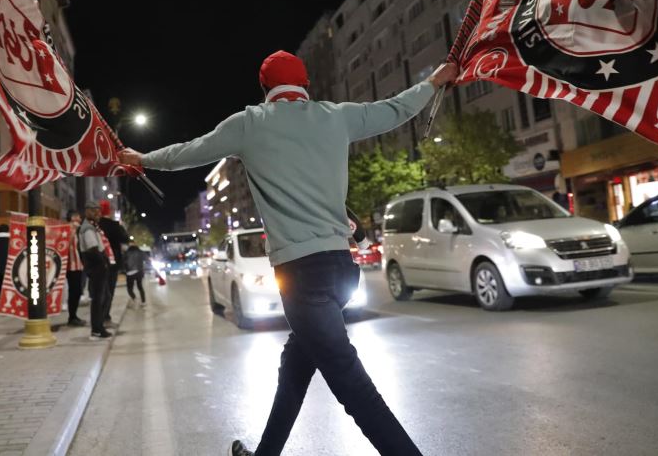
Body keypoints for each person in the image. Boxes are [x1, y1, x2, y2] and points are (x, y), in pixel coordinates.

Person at [119, 50, 457, 456]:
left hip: (302, 276)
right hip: (341, 270)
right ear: (306, 85)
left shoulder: (249, 124)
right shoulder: (337, 115)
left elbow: (190, 152)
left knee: (355, 391)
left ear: (264, 89)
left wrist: (142, 160)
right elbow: (396, 108)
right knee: (295, 369)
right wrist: (433, 82)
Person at [79, 202, 112, 339]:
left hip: (97, 266)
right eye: (94, 212)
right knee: (99, 299)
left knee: (103, 297)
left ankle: (99, 327)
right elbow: (93, 248)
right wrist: (103, 262)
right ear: (87, 212)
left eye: (98, 212)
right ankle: (97, 329)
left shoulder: (92, 227)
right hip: (96, 266)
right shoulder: (88, 229)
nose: (98, 214)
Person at [97, 200, 128, 324]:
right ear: (109, 211)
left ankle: (99, 315)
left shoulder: (95, 225)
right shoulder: (114, 225)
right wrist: (120, 225)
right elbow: (125, 238)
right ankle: (106, 315)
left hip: (98, 261)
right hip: (112, 261)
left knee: (99, 290)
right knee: (110, 288)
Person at [66, 212, 87, 326]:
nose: (80, 218)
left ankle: (73, 316)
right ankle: (72, 317)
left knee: (75, 291)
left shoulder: (68, 228)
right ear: (73, 217)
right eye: (79, 216)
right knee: (75, 291)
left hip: (73, 264)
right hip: (75, 265)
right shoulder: (75, 228)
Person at [125, 244, 147, 308]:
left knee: (129, 289)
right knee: (140, 287)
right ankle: (143, 302)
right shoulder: (140, 252)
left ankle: (134, 298)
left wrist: (124, 270)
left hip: (129, 273)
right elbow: (146, 259)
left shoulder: (126, 253)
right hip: (139, 272)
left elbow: (123, 262)